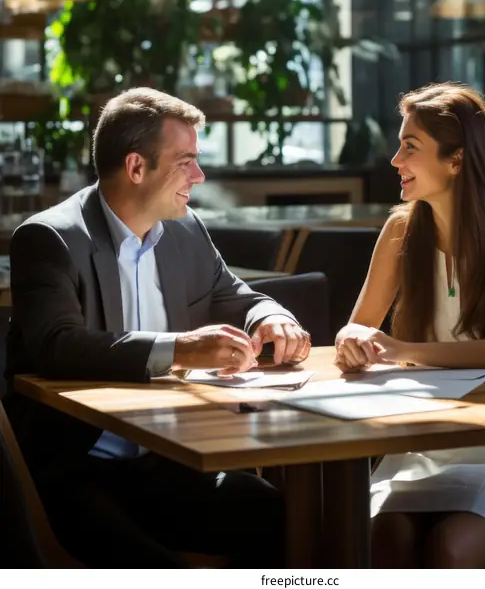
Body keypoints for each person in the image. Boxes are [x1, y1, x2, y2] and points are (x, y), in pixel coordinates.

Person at [4, 87, 311, 568]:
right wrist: (181, 349)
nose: (200, 175)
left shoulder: (186, 229)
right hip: (79, 471)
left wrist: (271, 316)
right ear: (136, 168)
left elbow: (234, 295)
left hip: (174, 461)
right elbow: (56, 345)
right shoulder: (49, 239)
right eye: (186, 161)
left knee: (289, 521)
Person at [334, 82, 485, 568]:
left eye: (410, 147)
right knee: (386, 537)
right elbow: (356, 330)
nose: (396, 160)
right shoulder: (401, 229)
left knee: (451, 546)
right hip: (423, 446)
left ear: (456, 160)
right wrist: (353, 341)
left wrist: (399, 350)